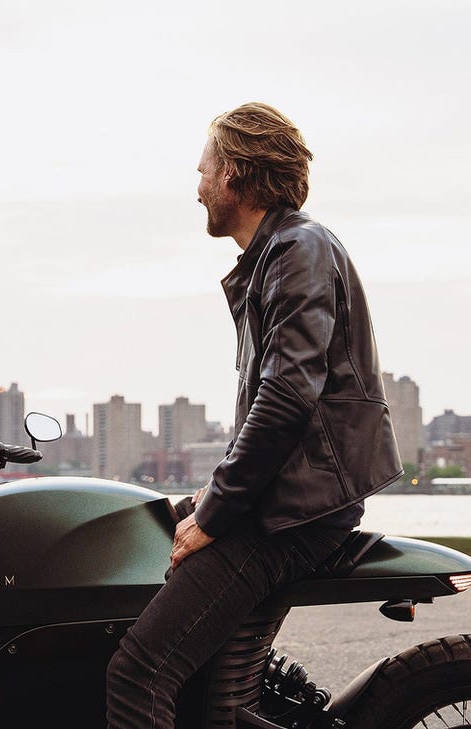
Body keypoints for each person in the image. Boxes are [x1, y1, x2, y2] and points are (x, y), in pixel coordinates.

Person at [105, 102, 403, 728]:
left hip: (295, 515)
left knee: (139, 671)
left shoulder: (299, 250)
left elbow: (287, 398)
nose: (198, 188)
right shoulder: (278, 256)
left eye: (204, 170)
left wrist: (217, 511)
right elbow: (275, 405)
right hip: (291, 502)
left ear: (234, 174)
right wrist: (213, 493)